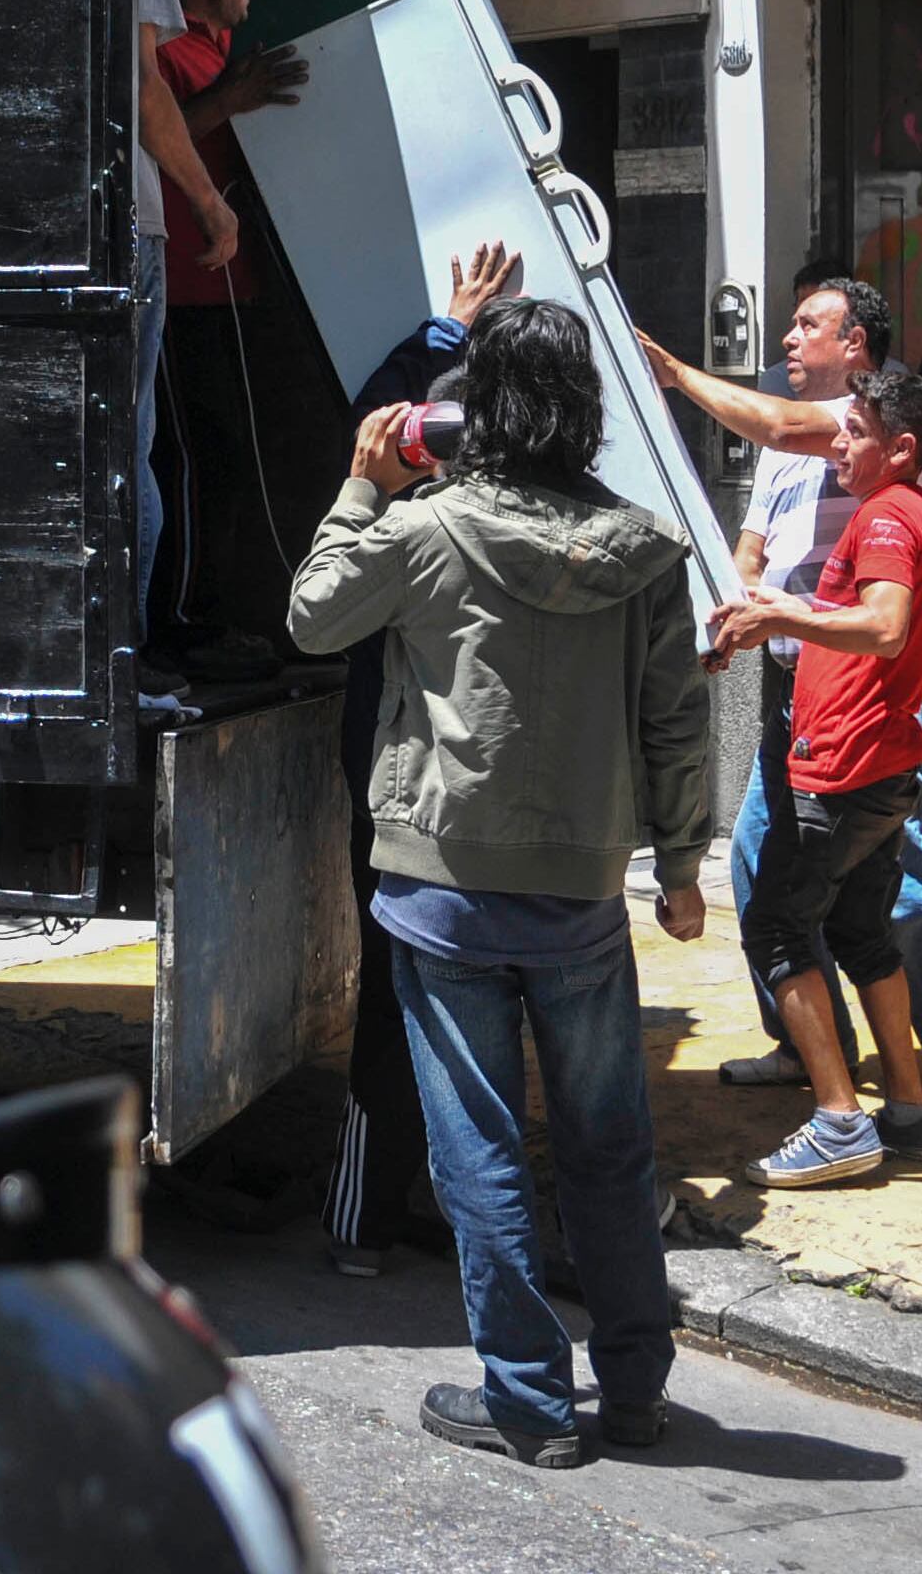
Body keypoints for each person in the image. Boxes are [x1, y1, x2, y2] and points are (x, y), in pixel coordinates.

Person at [288, 295, 715, 1469]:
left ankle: (527, 1400)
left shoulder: (423, 530)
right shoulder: (642, 549)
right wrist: (682, 865)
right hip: (583, 891)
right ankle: (633, 1390)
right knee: (607, 1147)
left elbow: (313, 619)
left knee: (477, 1146)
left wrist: (360, 486)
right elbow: (677, 724)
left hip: (444, 890)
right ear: (585, 411)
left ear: (472, 408)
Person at [651, 274, 922, 1128]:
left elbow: (779, 424)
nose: (788, 337)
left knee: (900, 878)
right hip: (798, 684)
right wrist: (728, 620)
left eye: (808, 324)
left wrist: (671, 374)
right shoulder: (790, 447)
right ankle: (808, 1044)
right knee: (757, 857)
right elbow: (749, 553)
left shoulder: (869, 426)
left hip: (872, 685)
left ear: (855, 345)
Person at [318, 238, 522, 1278]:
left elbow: (316, 608)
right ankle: (462, 1217)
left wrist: (447, 330)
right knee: (485, 998)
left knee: (402, 996)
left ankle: (370, 1220)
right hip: (480, 804)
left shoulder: (399, 536)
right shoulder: (524, 532)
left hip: (402, 799)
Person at [715, 364, 922, 1188]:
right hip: (880, 764)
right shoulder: (909, 512)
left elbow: (885, 627)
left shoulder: (886, 516)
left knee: (777, 929)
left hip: (847, 766)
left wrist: (782, 611)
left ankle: (839, 1120)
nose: (837, 445)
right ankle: (908, 1112)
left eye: (854, 432)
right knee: (860, 935)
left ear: (902, 449)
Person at [145, 0, 306, 676]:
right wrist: (228, 100)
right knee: (191, 459)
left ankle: (214, 614)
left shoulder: (216, 49)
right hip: (182, 288)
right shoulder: (167, 51)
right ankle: (178, 624)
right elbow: (152, 130)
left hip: (233, 290)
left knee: (228, 458)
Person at [129, 0, 240, 699]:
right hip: (137, 234)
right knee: (139, 455)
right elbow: (147, 92)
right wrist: (209, 204)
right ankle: (136, 648)